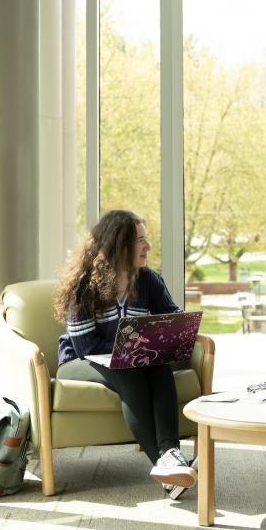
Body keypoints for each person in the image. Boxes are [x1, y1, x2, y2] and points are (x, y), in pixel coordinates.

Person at [54, 209, 196, 497]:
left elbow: (172, 320)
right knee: (128, 370)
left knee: (157, 366)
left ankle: (171, 455)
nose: (148, 247)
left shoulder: (148, 281)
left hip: (126, 359)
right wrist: (134, 348)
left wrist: (170, 335)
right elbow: (86, 347)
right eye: (140, 241)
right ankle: (166, 469)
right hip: (79, 361)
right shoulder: (83, 287)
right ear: (119, 246)